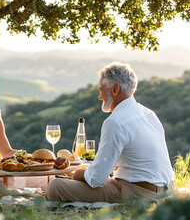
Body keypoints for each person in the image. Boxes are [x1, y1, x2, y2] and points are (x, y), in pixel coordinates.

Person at [45, 62, 174, 203]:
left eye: (101, 90)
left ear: (115, 90)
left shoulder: (115, 121)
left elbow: (97, 179)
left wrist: (77, 174)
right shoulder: (149, 114)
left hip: (137, 193)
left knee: (55, 186)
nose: (100, 96)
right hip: (163, 190)